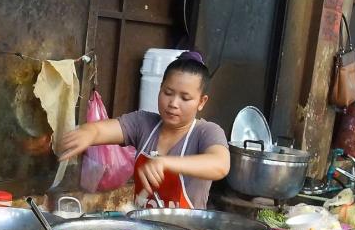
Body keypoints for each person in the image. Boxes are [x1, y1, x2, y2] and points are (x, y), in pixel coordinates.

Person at [57, 51, 229, 208]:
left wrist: (166, 162)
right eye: (168, 93)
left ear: (201, 102)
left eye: (185, 98)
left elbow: (220, 165)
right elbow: (100, 130)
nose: (173, 104)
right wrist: (88, 133)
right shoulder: (144, 123)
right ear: (160, 88)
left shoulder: (207, 132)